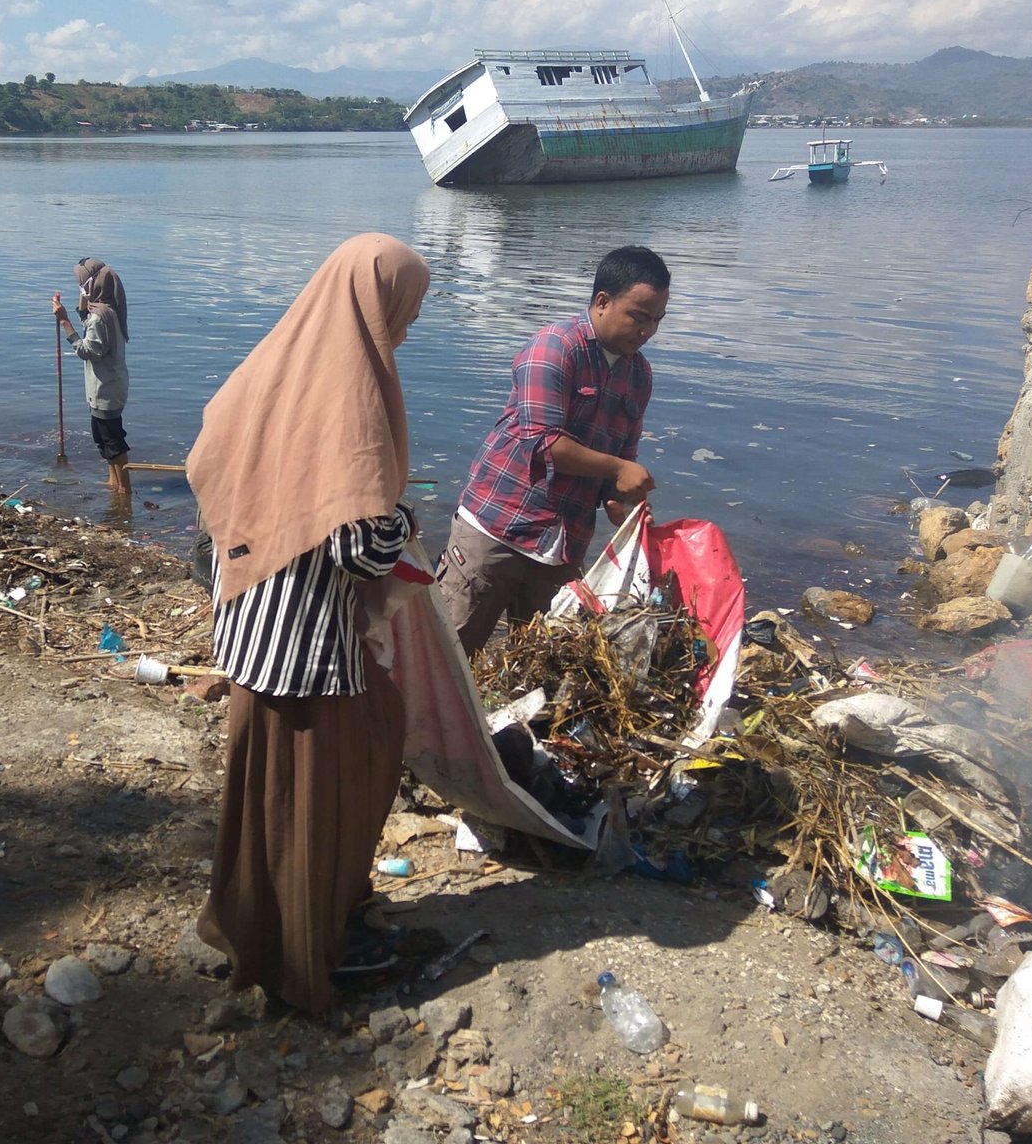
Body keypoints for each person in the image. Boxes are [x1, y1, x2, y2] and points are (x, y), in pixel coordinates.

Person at [186, 232, 431, 1014]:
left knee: (268, 790)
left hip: (249, 618)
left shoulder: (275, 363)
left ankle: (250, 923)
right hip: (304, 638)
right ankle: (306, 953)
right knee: (328, 785)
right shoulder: (351, 392)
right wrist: (406, 522)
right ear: (375, 304)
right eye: (405, 310)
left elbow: (207, 460)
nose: (407, 328)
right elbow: (359, 546)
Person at [437, 244, 668, 656]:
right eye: (639, 316)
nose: (647, 330)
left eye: (656, 320)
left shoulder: (639, 375)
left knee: (542, 662)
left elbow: (622, 460)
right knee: (448, 653)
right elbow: (545, 443)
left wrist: (621, 502)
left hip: (563, 543)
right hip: (498, 528)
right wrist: (618, 470)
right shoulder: (555, 346)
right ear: (602, 302)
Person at [52, 257, 131, 492]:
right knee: (103, 439)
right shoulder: (108, 310)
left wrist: (64, 322)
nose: (81, 288)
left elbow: (88, 350)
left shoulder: (100, 317)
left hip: (105, 389)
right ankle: (113, 483)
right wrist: (83, 298)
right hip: (110, 386)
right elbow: (87, 320)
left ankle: (124, 488)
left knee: (112, 441)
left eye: (82, 284)